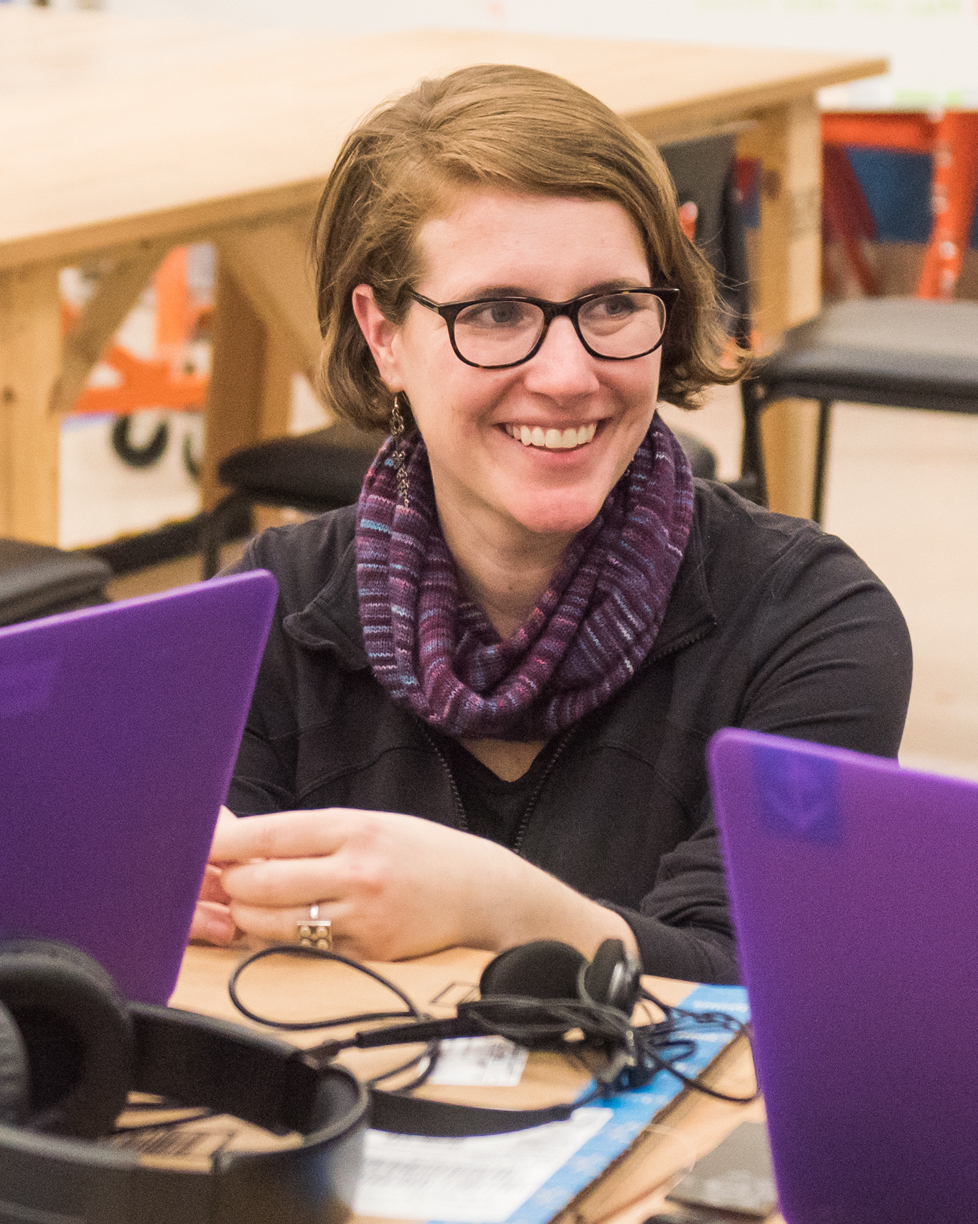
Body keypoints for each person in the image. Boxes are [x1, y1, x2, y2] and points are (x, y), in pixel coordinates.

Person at [191, 65, 912, 984]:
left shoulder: (809, 623)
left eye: (612, 305)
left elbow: (759, 988)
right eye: (496, 313)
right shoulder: (267, 613)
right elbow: (211, 952)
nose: (569, 374)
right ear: (383, 336)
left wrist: (496, 907)